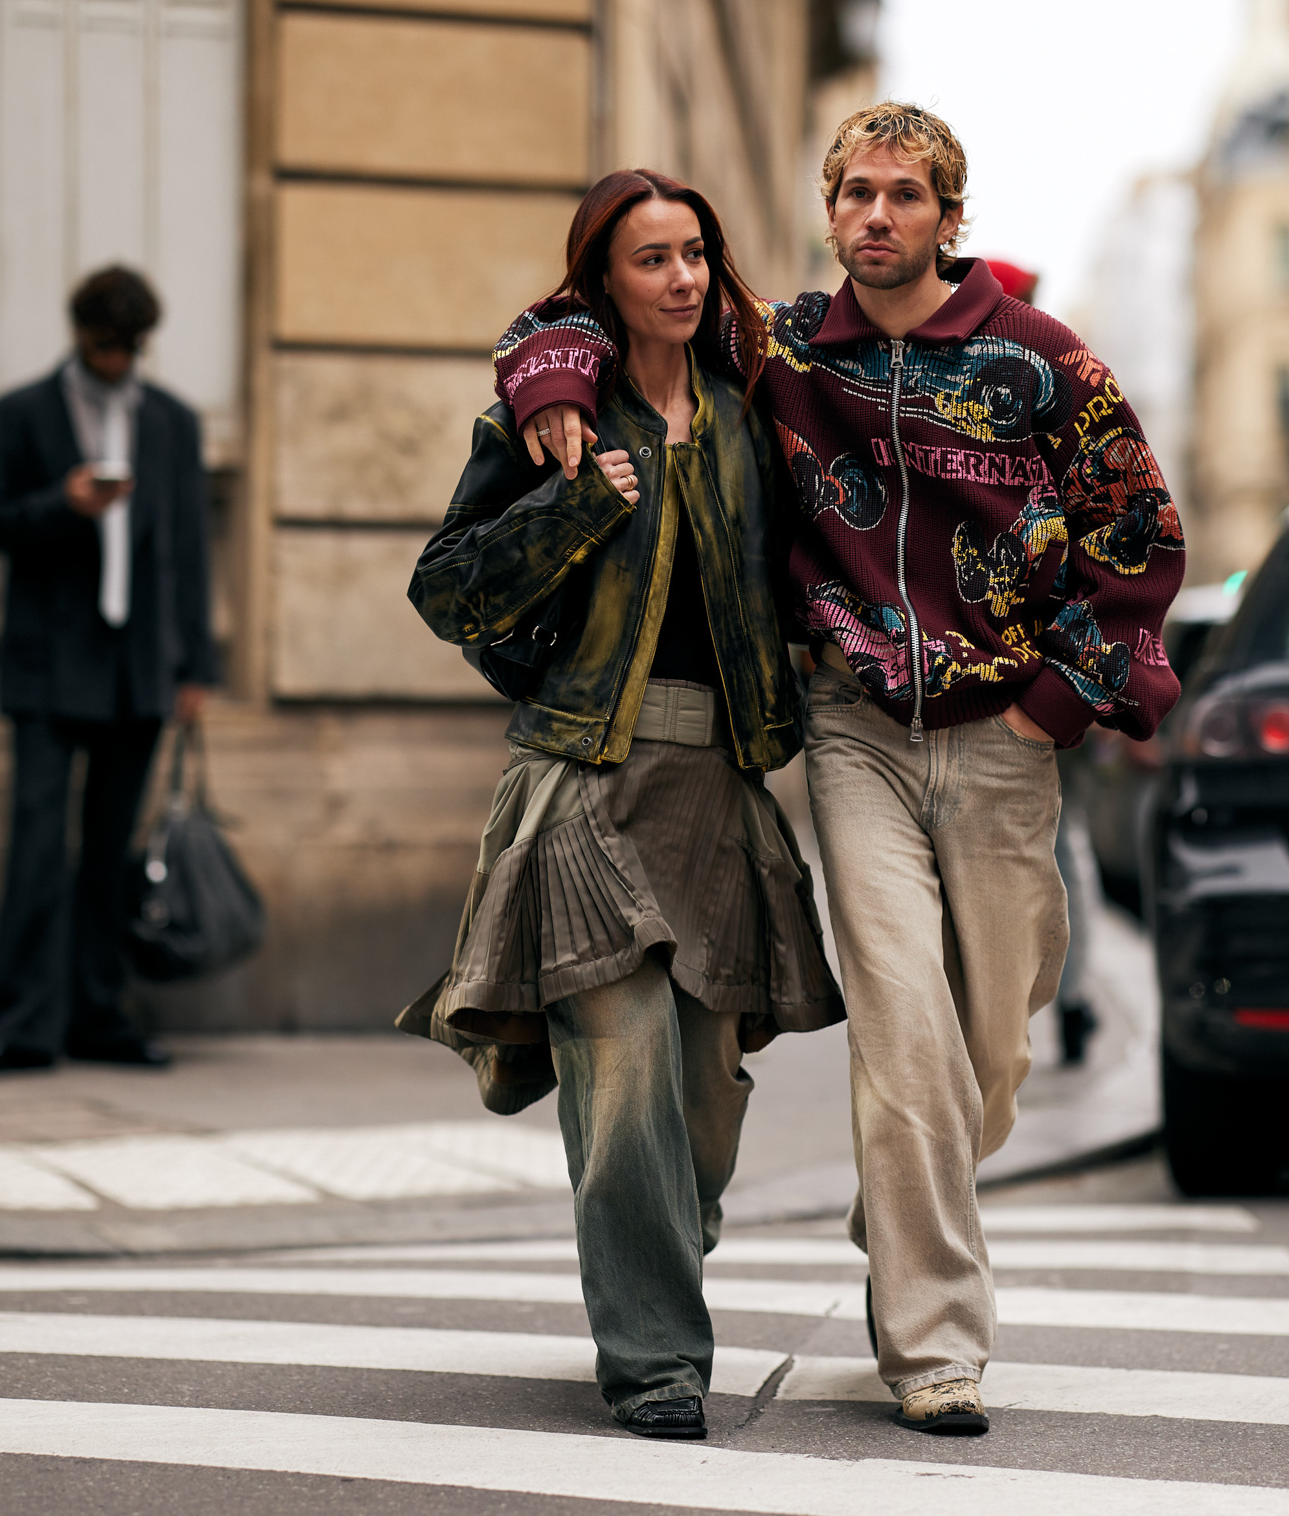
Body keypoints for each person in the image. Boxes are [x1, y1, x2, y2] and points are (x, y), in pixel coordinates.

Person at [494, 105, 1186, 1435]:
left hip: (1003, 740)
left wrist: (1054, 703)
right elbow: (594, 306)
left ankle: (904, 1191)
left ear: (948, 216)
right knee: (905, 1025)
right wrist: (554, 386)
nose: (879, 214)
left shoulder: (1040, 360)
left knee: (986, 1046)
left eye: (906, 196)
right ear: (830, 211)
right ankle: (932, 1346)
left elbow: (1139, 528)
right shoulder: (790, 344)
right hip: (856, 729)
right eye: (857, 192)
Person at [402, 170, 844, 1443]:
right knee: (626, 1062)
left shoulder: (752, 414)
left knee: (704, 1092)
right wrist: (579, 496)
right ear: (604, 282)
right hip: (584, 780)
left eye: (695, 253)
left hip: (717, 781)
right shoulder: (550, 419)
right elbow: (448, 589)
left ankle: (656, 1252)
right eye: (652, 259)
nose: (684, 279)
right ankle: (653, 1353)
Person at [0, 265, 220, 1076]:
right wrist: (60, 505)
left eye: (131, 348)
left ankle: (99, 1016)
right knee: (35, 848)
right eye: (105, 346)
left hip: (138, 666)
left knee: (111, 851)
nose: (116, 361)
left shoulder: (170, 421)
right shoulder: (16, 415)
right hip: (47, 662)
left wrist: (196, 664)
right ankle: (20, 1025)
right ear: (79, 335)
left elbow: (188, 550)